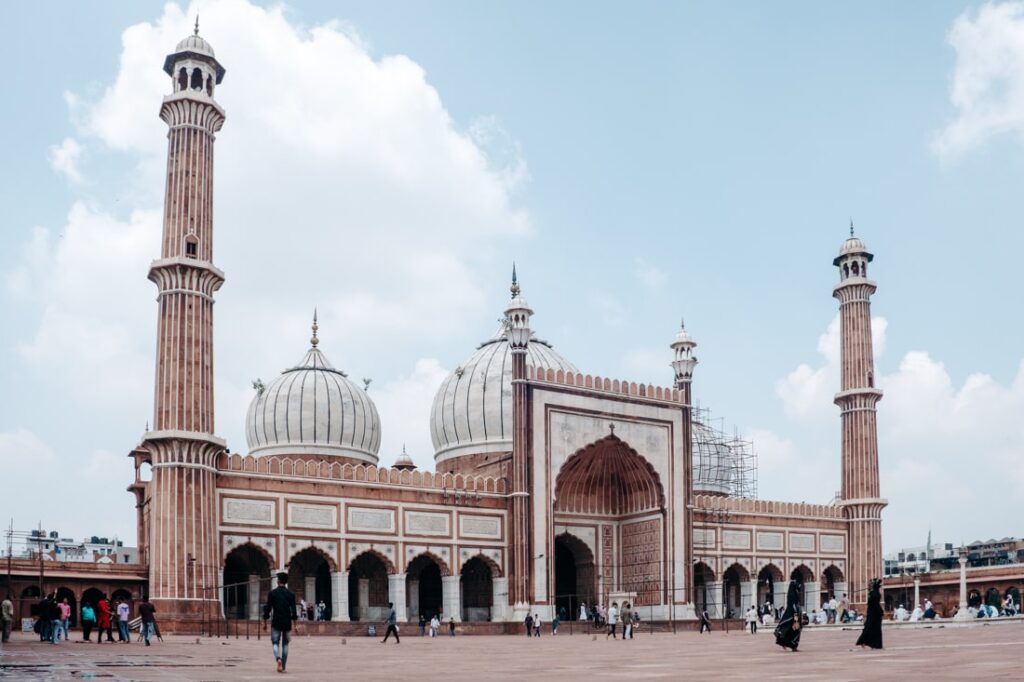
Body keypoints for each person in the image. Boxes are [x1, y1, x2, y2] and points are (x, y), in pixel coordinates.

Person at [263, 571, 299, 673]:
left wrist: (265, 622)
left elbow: (268, 609)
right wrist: (295, 625)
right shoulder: (291, 594)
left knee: (275, 642)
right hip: (287, 622)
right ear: (286, 582)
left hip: (276, 621)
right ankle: (283, 666)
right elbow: (294, 611)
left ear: (278, 581)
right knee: (286, 644)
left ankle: (278, 659)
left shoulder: (272, 593)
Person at [773, 580, 802, 652]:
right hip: (793, 615)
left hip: (795, 615)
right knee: (794, 629)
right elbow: (793, 606)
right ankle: (790, 645)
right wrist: (796, 614)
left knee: (795, 630)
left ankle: (793, 645)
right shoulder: (792, 595)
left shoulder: (794, 593)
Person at [855, 578, 883, 649]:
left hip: (873, 612)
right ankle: (873, 644)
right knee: (873, 628)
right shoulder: (875, 593)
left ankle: (868, 643)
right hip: (875, 613)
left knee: (870, 627)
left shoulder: (873, 593)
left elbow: (871, 603)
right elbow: (874, 604)